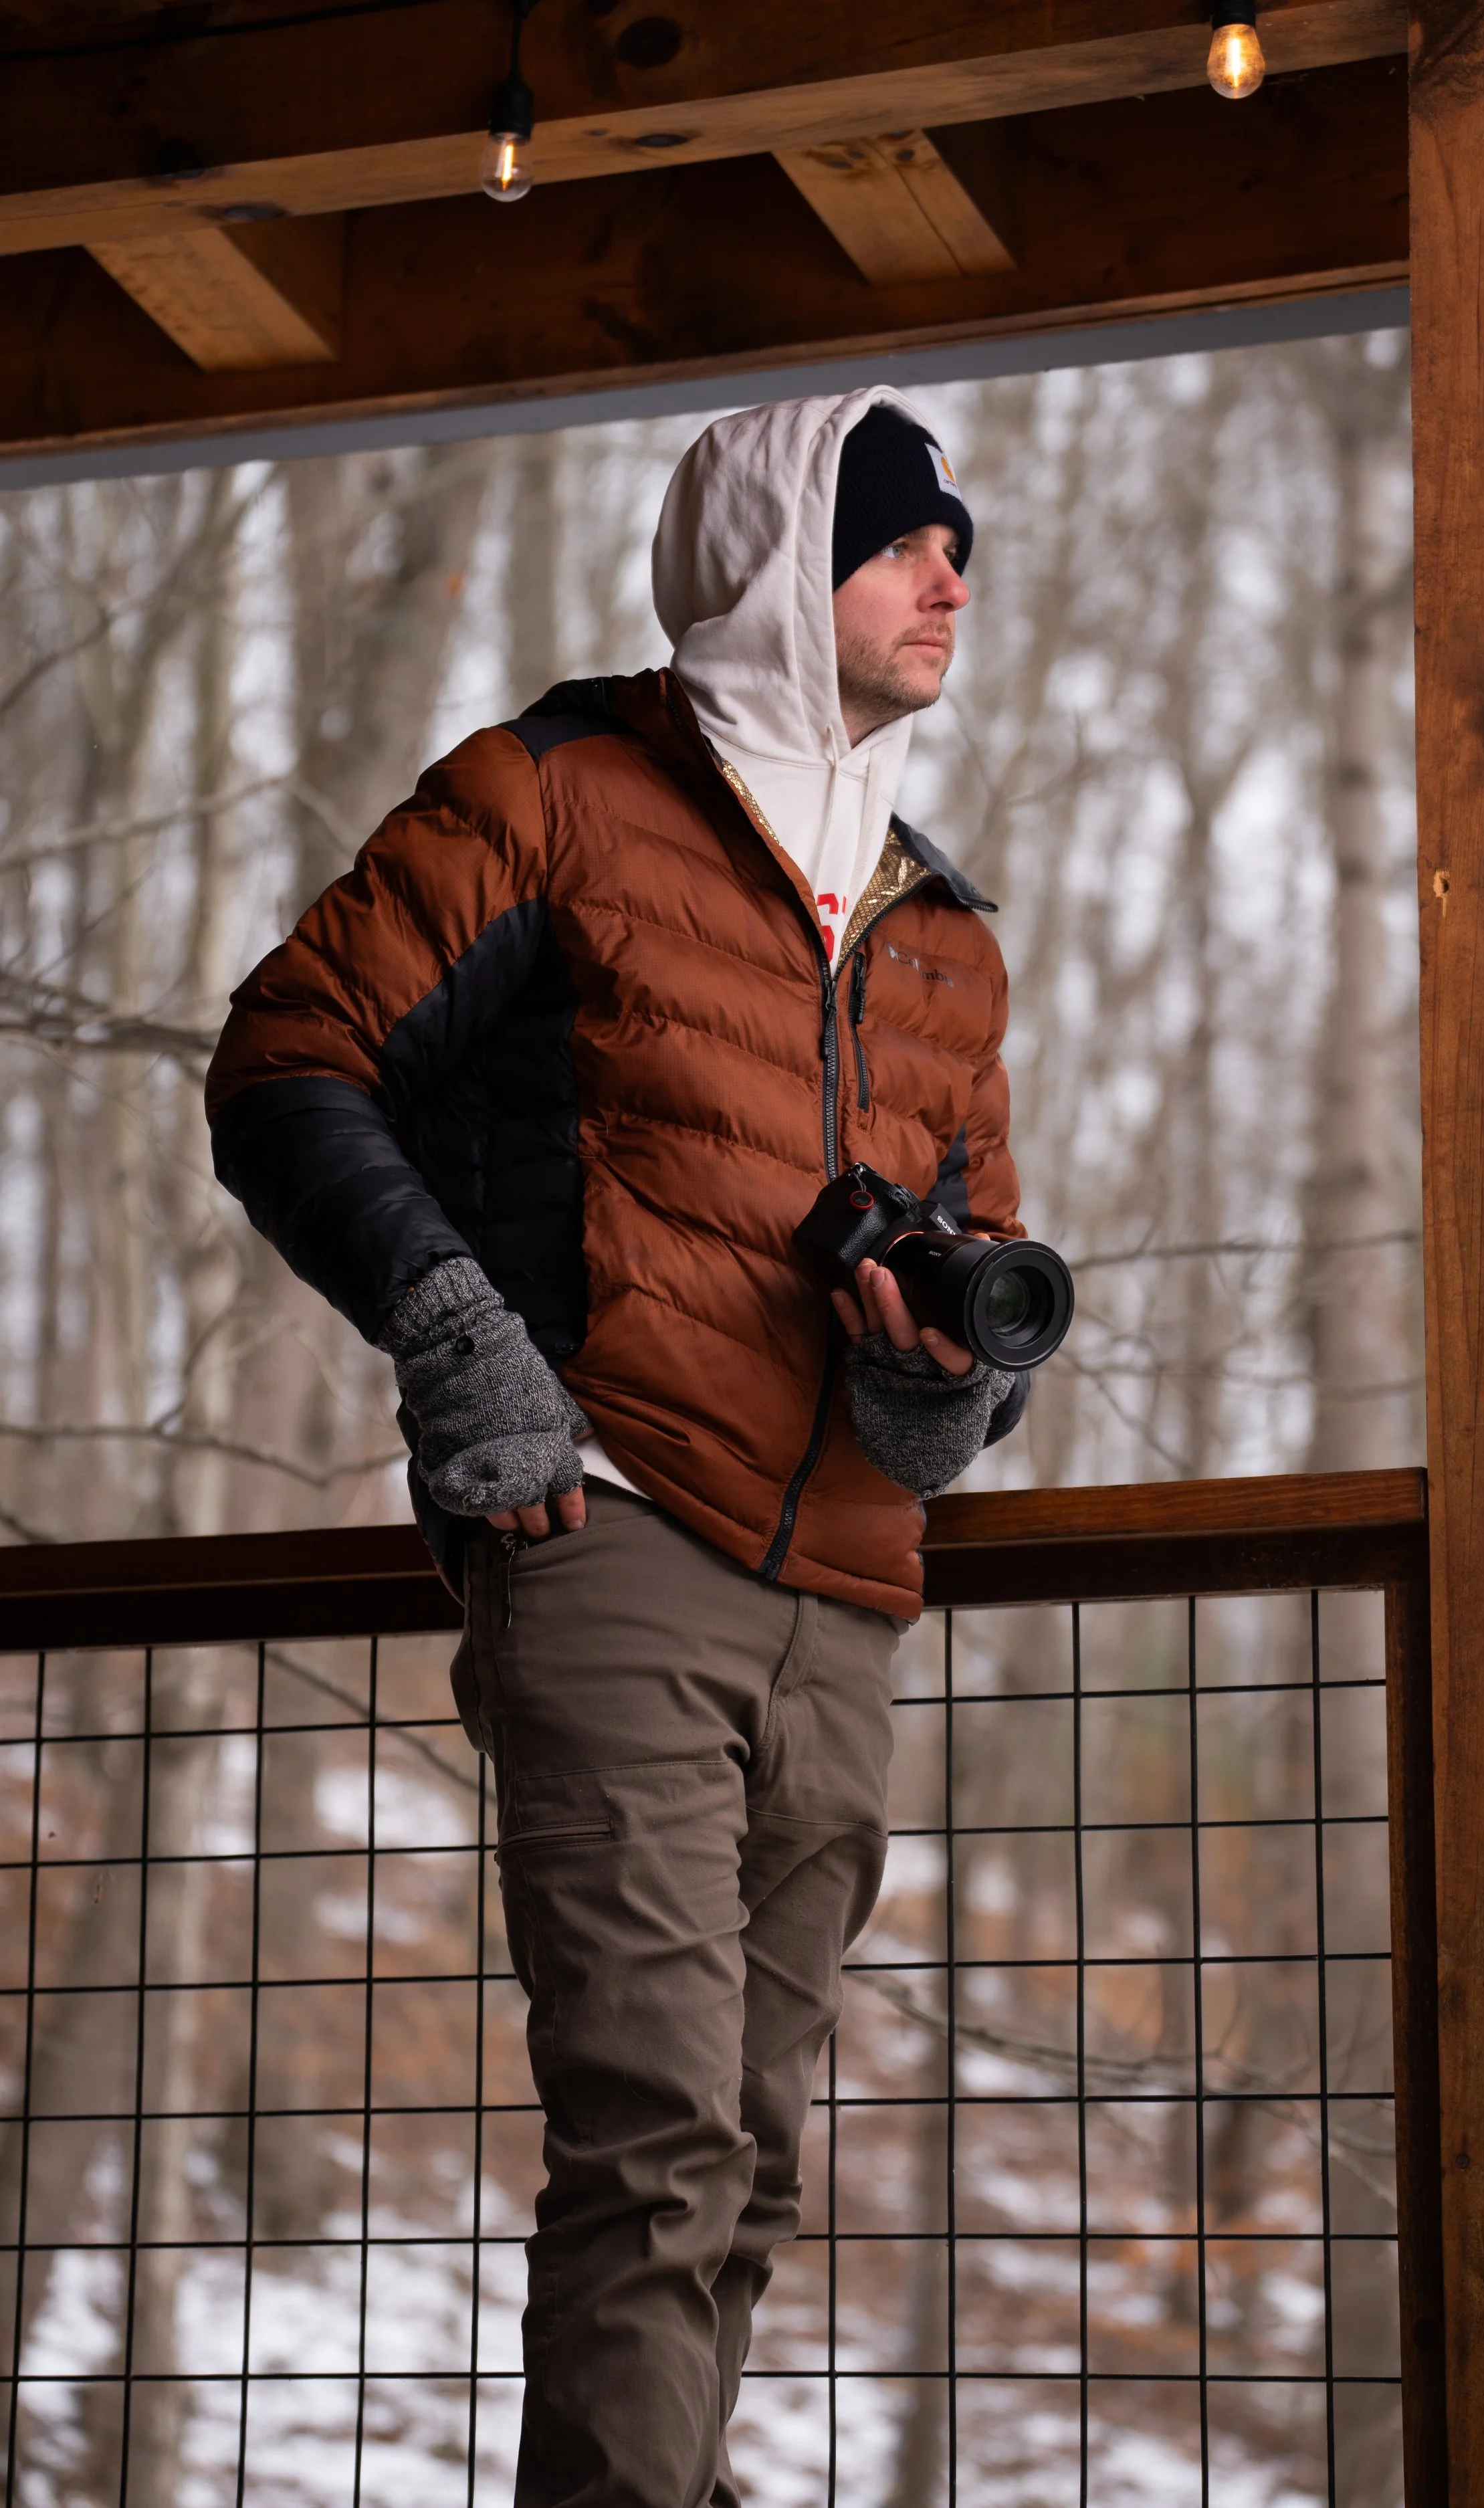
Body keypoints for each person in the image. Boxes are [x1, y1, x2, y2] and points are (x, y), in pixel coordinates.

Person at [205, 388, 1029, 2507]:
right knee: (657, 2139)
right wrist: (460, 1341)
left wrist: (939, 1374)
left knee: (741, 2162)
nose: (956, 573)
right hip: (614, 1532)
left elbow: (982, 1255)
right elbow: (291, 1061)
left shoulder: (942, 929)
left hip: (841, 1586)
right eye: (901, 536)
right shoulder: (552, 794)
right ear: (776, 561)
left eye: (957, 540)